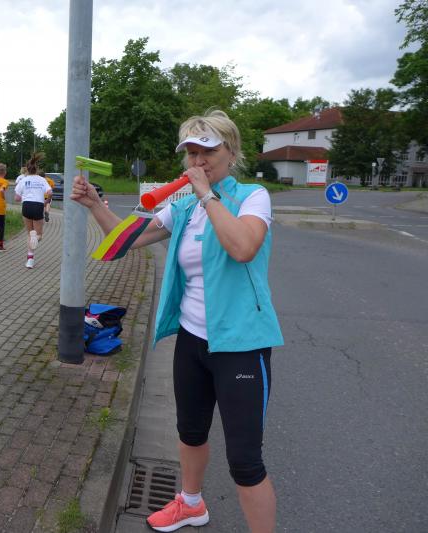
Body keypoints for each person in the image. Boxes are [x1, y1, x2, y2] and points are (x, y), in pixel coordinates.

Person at [71, 109, 283, 533]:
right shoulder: (184, 207)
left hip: (241, 345)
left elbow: (243, 247)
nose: (197, 162)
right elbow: (127, 240)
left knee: (245, 461)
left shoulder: (252, 197)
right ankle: (190, 504)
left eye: (207, 152)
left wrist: (206, 195)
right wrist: (94, 204)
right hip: (191, 340)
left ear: (231, 152)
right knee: (189, 432)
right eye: (191, 153)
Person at [14, 153, 51, 269]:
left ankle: (30, 260)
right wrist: (46, 202)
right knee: (38, 235)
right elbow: (50, 192)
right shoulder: (42, 180)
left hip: (26, 206)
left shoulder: (23, 180)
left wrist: (22, 196)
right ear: (37, 169)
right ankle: (35, 239)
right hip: (38, 205)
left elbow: (17, 198)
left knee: (29, 233)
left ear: (27, 169)